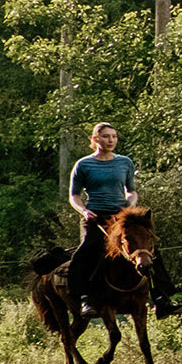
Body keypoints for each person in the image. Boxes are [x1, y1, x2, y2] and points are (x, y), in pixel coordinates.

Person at [65, 121, 138, 314]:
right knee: (88, 251)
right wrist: (84, 211)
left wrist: (130, 204)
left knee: (145, 246)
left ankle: (161, 296)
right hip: (95, 217)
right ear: (95, 139)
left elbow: (131, 191)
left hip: (120, 217)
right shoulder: (84, 164)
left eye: (114, 136)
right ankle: (84, 298)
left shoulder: (125, 162)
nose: (111, 140)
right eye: (106, 136)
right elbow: (74, 196)